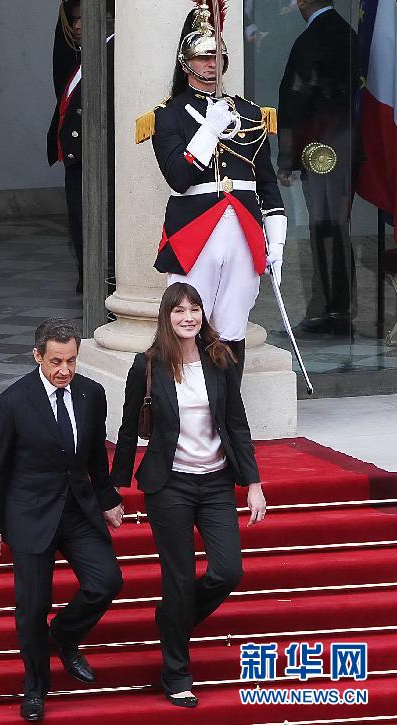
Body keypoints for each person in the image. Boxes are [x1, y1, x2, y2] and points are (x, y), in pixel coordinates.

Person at [110, 282, 266, 708]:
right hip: (170, 485)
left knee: (227, 571)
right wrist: (115, 490)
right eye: (179, 310)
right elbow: (127, 430)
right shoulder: (148, 366)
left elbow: (237, 423)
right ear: (167, 316)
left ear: (202, 315)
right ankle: (176, 673)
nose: (188, 317)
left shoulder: (221, 359)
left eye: (194, 309)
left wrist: (252, 483)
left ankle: (170, 623)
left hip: (216, 482)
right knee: (177, 581)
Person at [0, 318, 124, 722]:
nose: (65, 371)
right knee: (32, 607)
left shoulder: (91, 394)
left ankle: (64, 636)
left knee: (106, 581)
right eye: (56, 361)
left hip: (77, 510)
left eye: (72, 361)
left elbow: (95, 455)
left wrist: (108, 498)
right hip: (29, 515)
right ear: (37, 356)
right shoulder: (12, 402)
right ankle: (35, 689)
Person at [136, 1, 287, 380]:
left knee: (233, 325)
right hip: (195, 230)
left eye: (217, 56)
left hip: (244, 229)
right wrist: (207, 130)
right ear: (186, 61)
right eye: (202, 57)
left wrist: (277, 244)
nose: (211, 64)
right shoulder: (167, 115)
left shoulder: (251, 113)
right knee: (187, 321)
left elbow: (266, 183)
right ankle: (188, 406)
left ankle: (228, 413)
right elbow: (178, 177)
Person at [277, 0, 362, 336]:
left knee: (326, 228)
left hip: (321, 149)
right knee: (335, 227)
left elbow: (297, 101)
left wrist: (286, 158)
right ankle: (336, 307)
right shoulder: (348, 34)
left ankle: (330, 311)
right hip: (345, 145)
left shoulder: (312, 39)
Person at [47, 0, 115, 295]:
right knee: (79, 224)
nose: (75, 26)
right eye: (73, 20)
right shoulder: (83, 57)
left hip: (94, 159)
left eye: (82, 19)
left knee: (95, 226)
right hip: (78, 160)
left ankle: (98, 283)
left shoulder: (109, 54)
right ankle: (89, 279)